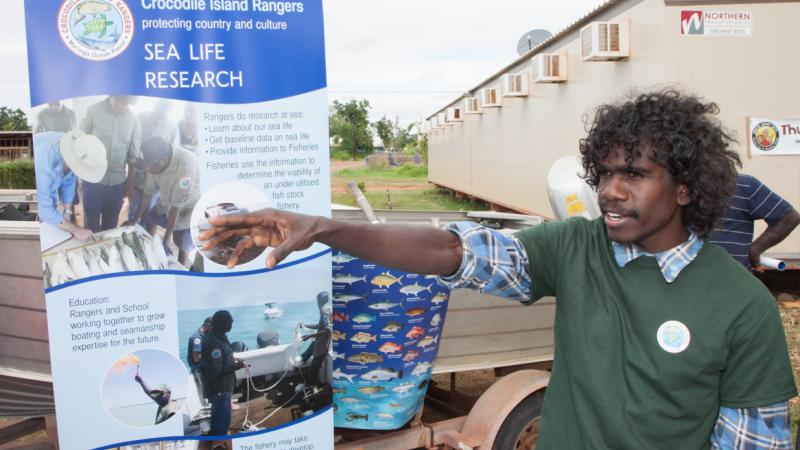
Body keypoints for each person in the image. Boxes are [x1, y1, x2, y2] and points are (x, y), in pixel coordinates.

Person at [199, 90, 797, 449]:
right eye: (605, 173)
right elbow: (455, 253)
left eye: (635, 175)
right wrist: (324, 228)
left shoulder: (741, 305)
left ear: (687, 188)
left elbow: (752, 440)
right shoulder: (576, 247)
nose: (610, 192)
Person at [122, 137, 200, 265]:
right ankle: (152, 249)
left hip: (191, 206)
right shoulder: (154, 162)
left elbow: (176, 209)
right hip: (169, 201)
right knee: (149, 218)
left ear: (163, 161)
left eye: (149, 167)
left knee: (181, 240)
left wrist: (167, 237)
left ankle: (182, 265)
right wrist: (135, 220)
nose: (148, 170)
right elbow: (147, 194)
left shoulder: (185, 165)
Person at [709, 174, 800, 269]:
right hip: (695, 277)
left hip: (734, 277)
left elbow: (789, 218)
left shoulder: (745, 184)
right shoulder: (693, 188)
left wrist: (755, 250)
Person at [81, 95, 141, 232]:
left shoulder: (133, 120)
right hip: (92, 182)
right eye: (121, 101)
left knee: (110, 227)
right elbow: (80, 142)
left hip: (117, 186)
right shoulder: (93, 111)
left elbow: (134, 157)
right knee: (91, 227)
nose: (123, 106)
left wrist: (129, 185)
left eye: (127, 103)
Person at [33, 131, 107, 242]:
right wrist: (75, 230)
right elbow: (44, 209)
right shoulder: (43, 160)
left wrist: (67, 212)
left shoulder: (77, 149)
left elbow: (69, 180)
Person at [128, 100, 180, 223]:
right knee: (134, 212)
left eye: (166, 110)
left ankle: (147, 238)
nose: (162, 113)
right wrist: (129, 184)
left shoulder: (172, 126)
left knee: (150, 216)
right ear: (155, 106)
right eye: (161, 109)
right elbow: (132, 150)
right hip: (137, 178)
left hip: (157, 180)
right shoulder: (139, 118)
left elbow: (173, 154)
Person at [201, 310, 244, 436]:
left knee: (221, 421)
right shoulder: (214, 343)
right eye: (229, 320)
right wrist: (236, 366)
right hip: (220, 388)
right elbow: (215, 371)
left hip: (222, 388)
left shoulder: (219, 337)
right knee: (221, 424)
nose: (232, 322)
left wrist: (232, 360)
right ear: (221, 323)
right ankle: (220, 441)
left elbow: (220, 361)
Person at [298, 292, 332, 387]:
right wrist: (305, 325)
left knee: (313, 371)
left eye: (318, 301)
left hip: (321, 348)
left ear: (320, 301)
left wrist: (309, 336)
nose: (317, 303)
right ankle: (302, 359)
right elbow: (320, 326)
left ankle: (309, 390)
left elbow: (327, 330)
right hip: (323, 345)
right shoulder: (328, 308)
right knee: (312, 346)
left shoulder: (323, 310)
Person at [188, 316, 212, 402]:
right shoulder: (197, 338)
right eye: (213, 327)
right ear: (208, 325)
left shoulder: (204, 335)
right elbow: (197, 358)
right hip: (199, 369)